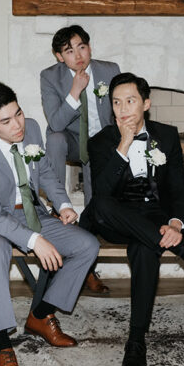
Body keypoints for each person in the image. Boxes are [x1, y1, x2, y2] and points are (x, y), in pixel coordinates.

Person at [0, 82, 100, 366]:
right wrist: (35, 240)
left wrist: (62, 205)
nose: (17, 125)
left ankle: (40, 315)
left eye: (17, 113)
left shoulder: (31, 129)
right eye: (5, 121)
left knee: (87, 245)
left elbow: (45, 171)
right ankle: (3, 348)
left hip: (32, 213)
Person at [80, 72, 184, 366]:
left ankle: (136, 340)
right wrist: (123, 144)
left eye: (130, 100)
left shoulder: (166, 135)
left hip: (151, 216)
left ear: (146, 103)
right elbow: (101, 193)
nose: (123, 108)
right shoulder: (100, 142)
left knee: (144, 249)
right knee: (100, 202)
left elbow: (177, 190)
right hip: (114, 215)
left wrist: (176, 225)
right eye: (116, 102)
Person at [39, 24, 121, 295]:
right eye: (69, 51)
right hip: (74, 142)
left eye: (82, 47)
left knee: (94, 206)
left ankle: (86, 269)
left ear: (89, 47)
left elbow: (120, 114)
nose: (78, 55)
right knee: (54, 138)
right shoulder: (50, 77)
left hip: (103, 145)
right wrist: (75, 91)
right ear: (59, 56)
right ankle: (57, 202)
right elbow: (56, 123)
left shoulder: (110, 71)